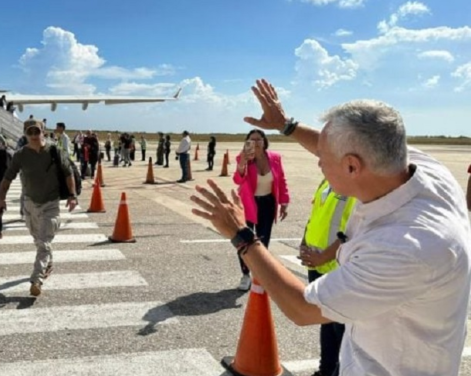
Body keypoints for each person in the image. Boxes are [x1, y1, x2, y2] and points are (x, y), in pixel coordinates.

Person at [189, 78, 471, 376]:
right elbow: (354, 149)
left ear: (352, 166)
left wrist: (241, 235)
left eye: (322, 158)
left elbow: (301, 308)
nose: (318, 163)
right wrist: (287, 126)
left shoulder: (404, 246)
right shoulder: (422, 170)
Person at [0, 119, 78, 297]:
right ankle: (48, 263)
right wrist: (0, 199)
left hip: (51, 203)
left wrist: (72, 195)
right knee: (38, 240)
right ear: (25, 134)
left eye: (37, 132)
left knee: (43, 242)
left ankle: (37, 279)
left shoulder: (54, 151)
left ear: (43, 132)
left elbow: (68, 173)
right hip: (30, 203)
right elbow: (7, 178)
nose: (33, 136)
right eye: (29, 132)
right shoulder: (20, 155)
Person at [298, 178, 357, 376]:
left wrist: (322, 257)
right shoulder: (326, 181)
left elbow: (350, 233)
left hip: (335, 266)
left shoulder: (353, 187)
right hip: (316, 263)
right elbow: (314, 215)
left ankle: (338, 372)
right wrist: (304, 241)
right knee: (325, 321)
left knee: (340, 328)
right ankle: (326, 370)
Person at [232, 128, 290, 290]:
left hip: (267, 204)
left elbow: (281, 181)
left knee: (263, 242)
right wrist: (242, 162)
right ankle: (245, 274)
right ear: (247, 142)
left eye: (259, 139)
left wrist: (284, 202)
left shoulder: (275, 158)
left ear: (265, 141)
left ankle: (260, 274)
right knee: (244, 241)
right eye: (252, 140)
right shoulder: (244, 158)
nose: (256, 142)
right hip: (248, 204)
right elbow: (238, 180)